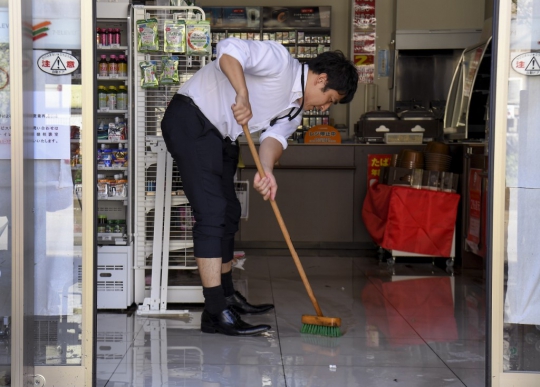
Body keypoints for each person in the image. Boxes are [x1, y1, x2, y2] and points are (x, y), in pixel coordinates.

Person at [161, 37, 358, 336]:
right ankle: (215, 312)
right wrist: (242, 94)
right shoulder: (279, 62)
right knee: (212, 212)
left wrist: (266, 170)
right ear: (321, 79)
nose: (327, 105)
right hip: (191, 119)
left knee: (229, 211)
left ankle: (226, 295)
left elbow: (274, 140)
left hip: (220, 135)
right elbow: (228, 50)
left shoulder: (295, 111)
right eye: (330, 98)